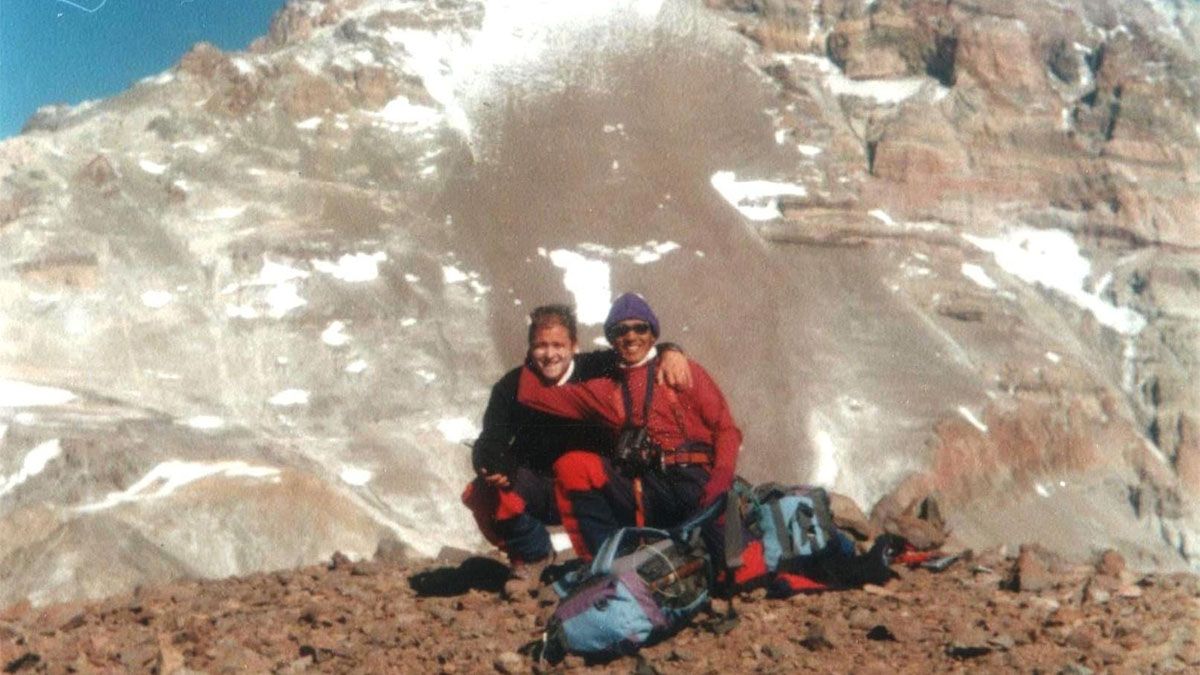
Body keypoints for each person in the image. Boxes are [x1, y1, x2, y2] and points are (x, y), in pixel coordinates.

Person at [462, 304, 692, 597]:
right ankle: (531, 556)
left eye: (558, 345)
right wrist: (492, 463)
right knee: (481, 494)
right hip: (538, 486)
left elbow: (639, 353)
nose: (550, 354)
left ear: (574, 346)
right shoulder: (511, 387)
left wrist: (671, 350)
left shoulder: (598, 368)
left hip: (595, 489)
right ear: (530, 348)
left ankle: (604, 561)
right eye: (540, 346)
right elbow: (491, 437)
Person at [517, 293, 742, 559]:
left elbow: (726, 430)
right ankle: (607, 565)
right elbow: (531, 395)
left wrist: (721, 478)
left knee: (744, 572)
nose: (631, 336)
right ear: (612, 338)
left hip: (699, 483)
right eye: (621, 330)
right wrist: (540, 351)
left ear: (653, 334)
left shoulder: (683, 371)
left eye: (640, 328)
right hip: (648, 488)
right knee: (574, 467)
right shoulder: (606, 390)